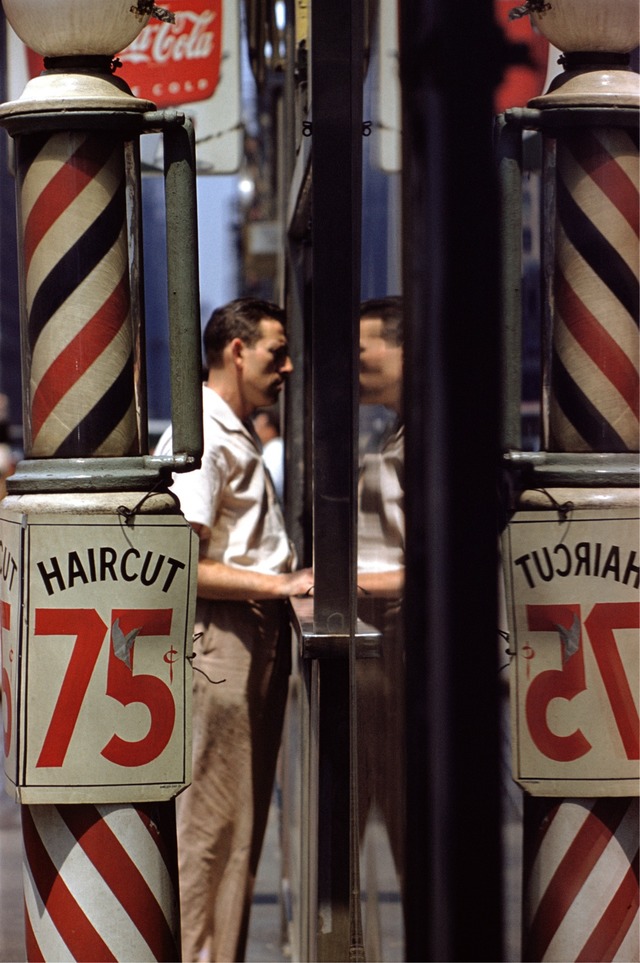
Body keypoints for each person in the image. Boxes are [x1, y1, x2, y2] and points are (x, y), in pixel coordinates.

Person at [155, 297, 313, 962]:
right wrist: (279, 584)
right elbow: (181, 563)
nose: (288, 366)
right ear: (236, 350)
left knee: (234, 828)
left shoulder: (226, 430)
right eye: (277, 351)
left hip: (245, 639)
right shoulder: (204, 438)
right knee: (212, 832)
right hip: (223, 641)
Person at [252, 408, 285, 503]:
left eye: (258, 426)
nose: (256, 431)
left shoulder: (275, 448)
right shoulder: (271, 448)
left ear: (271, 428)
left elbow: (272, 483)